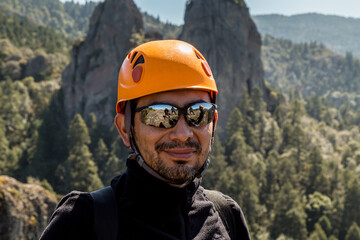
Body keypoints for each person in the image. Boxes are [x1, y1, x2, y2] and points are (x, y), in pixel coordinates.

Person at [40, 40, 250, 240]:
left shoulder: (226, 215)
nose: (183, 133)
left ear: (213, 121)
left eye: (198, 113)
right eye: (160, 115)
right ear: (125, 129)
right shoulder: (83, 221)